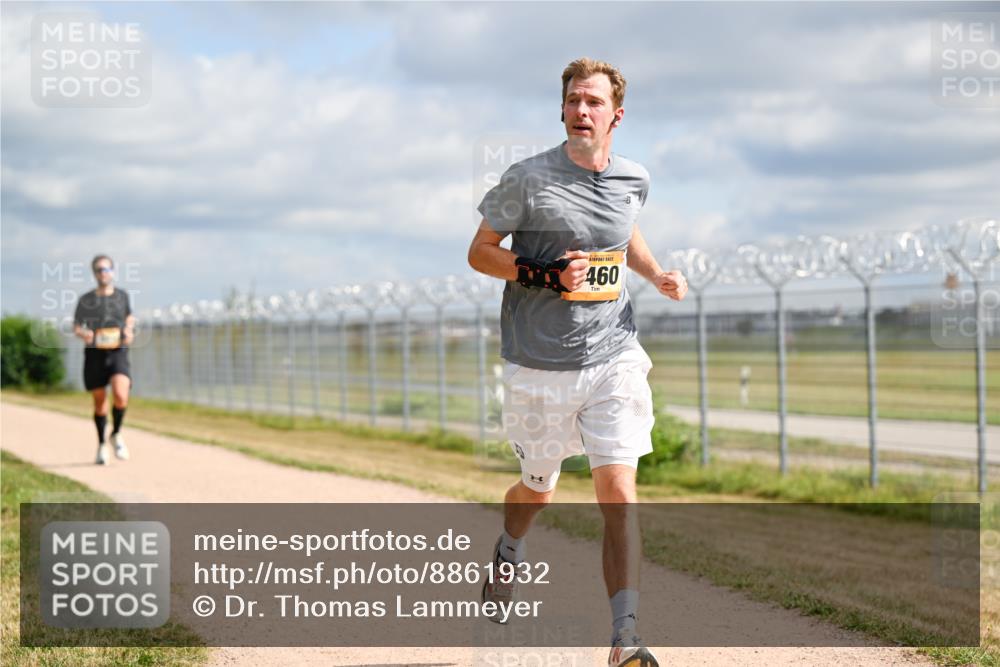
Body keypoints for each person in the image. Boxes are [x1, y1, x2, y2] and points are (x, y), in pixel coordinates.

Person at [468, 57, 688, 667]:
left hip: (613, 351)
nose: (581, 110)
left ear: (617, 114)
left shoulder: (633, 179)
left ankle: (624, 638)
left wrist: (656, 274)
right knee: (538, 491)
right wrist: (543, 273)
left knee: (618, 489)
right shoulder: (527, 178)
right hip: (538, 361)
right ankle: (509, 549)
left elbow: (624, 232)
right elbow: (480, 252)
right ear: (561, 109)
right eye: (572, 101)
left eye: (592, 102)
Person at [73, 254, 135, 465]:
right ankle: (101, 445)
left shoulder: (122, 296)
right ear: (94, 273)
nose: (103, 273)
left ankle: (116, 432)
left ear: (113, 271)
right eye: (99, 270)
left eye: (107, 269)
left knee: (120, 394)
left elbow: (129, 316)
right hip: (95, 354)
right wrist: (85, 334)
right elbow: (77, 326)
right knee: (100, 403)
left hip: (117, 352)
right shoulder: (86, 300)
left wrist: (129, 329)